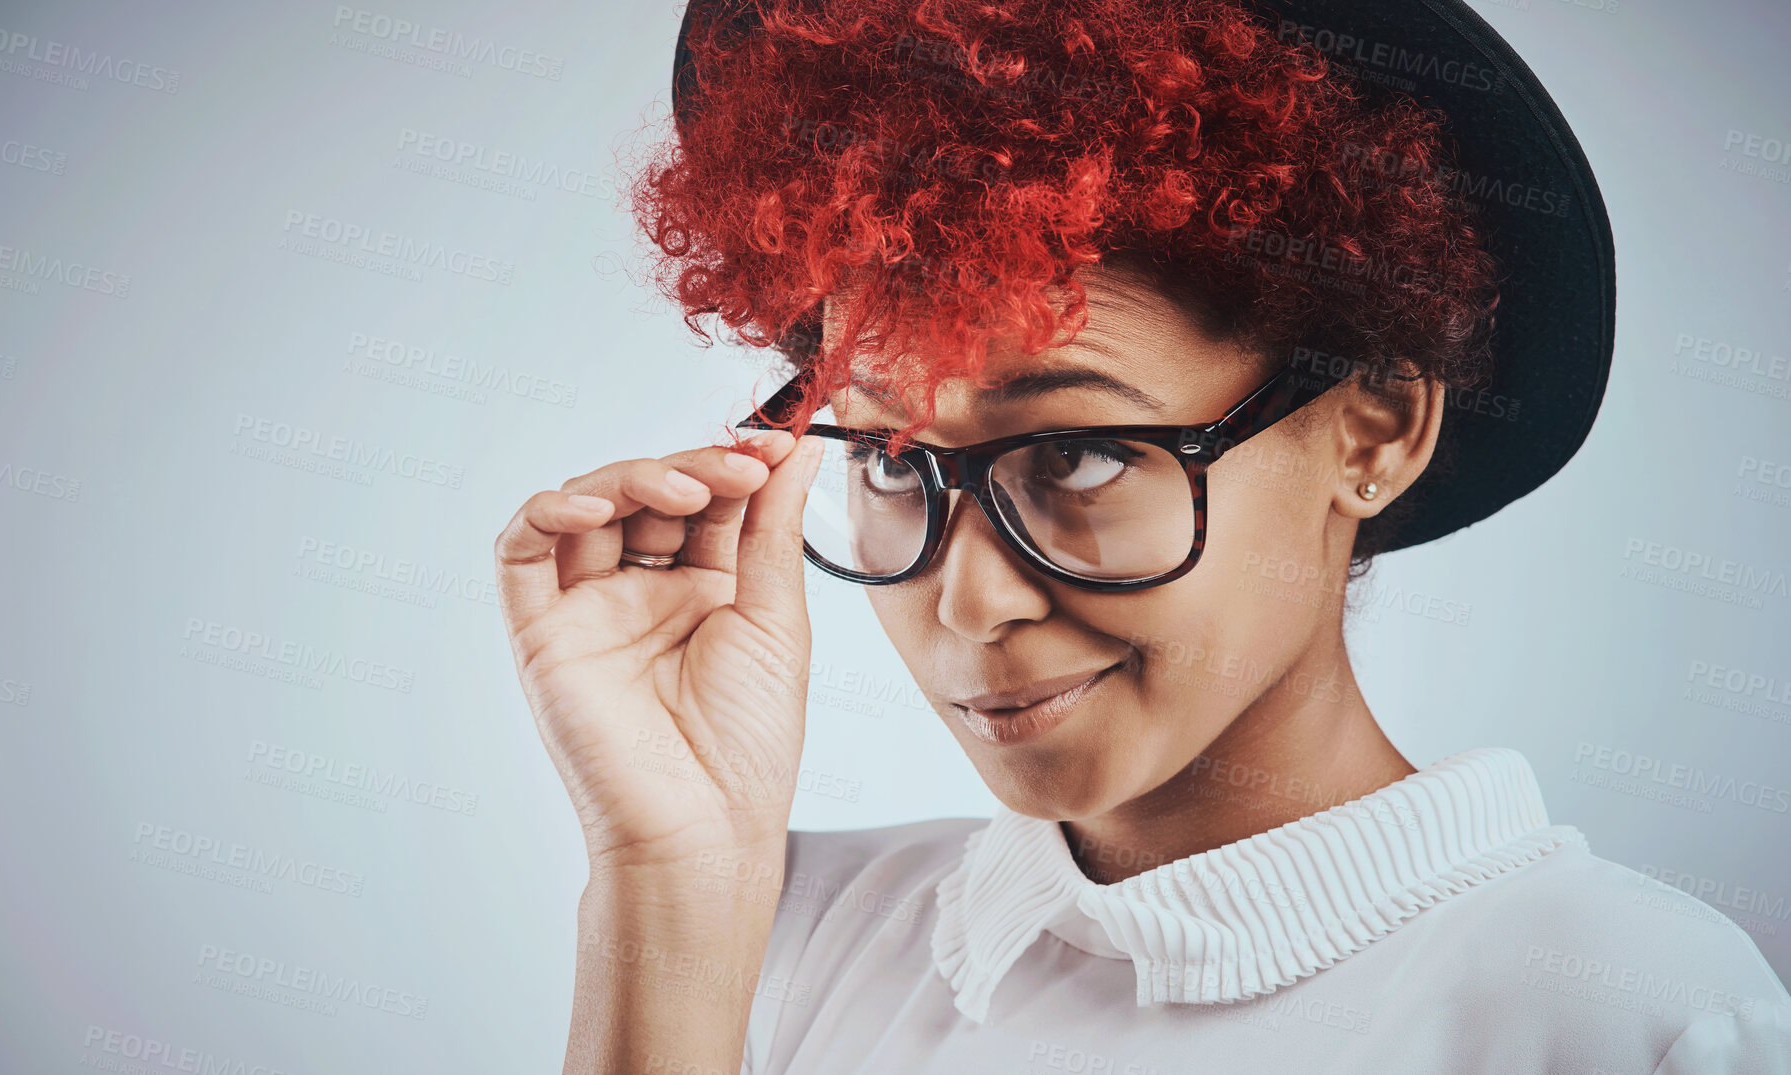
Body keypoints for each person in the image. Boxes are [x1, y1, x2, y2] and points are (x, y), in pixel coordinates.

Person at [493, 0, 1791, 1071]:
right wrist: (666, 881)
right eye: (889, 460)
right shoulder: (780, 936)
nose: (968, 602)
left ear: (1376, 427)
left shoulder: (1634, 1016)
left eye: (1082, 454)